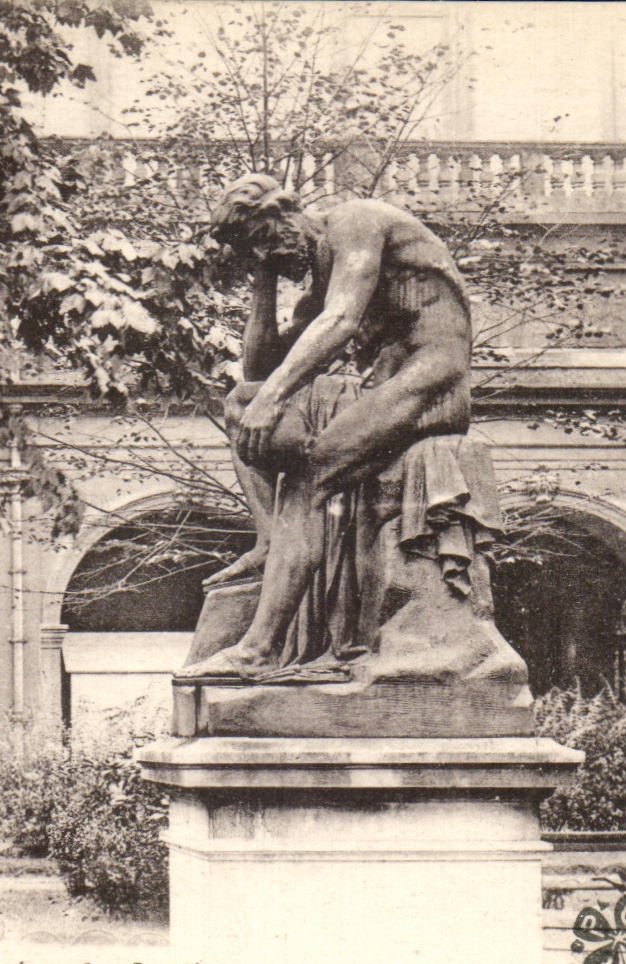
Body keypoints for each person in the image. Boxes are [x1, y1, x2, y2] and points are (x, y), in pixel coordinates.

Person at [184, 174, 479, 680]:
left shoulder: (356, 222)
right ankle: (271, 543)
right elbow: (260, 371)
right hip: (383, 390)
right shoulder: (316, 276)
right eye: (255, 249)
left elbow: (340, 320)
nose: (270, 251)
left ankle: (257, 650)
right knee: (241, 404)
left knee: (309, 478)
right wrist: (264, 280)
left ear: (285, 211)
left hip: (431, 379)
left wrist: (275, 395)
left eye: (265, 237)